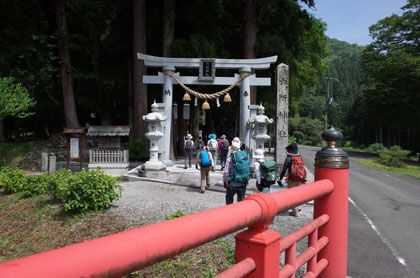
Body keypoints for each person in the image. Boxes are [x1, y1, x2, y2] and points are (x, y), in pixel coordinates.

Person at [278, 142, 305, 217]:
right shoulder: (299, 158)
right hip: (299, 178)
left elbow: (284, 170)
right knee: (298, 194)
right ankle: (298, 207)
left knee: (291, 195)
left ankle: (294, 211)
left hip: (292, 179)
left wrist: (280, 178)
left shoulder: (288, 159)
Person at [223, 137, 250, 204]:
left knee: (229, 198)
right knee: (241, 201)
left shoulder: (230, 158)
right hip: (242, 182)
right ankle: (241, 214)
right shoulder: (244, 156)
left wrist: (225, 181)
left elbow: (226, 172)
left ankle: (230, 213)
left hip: (232, 183)